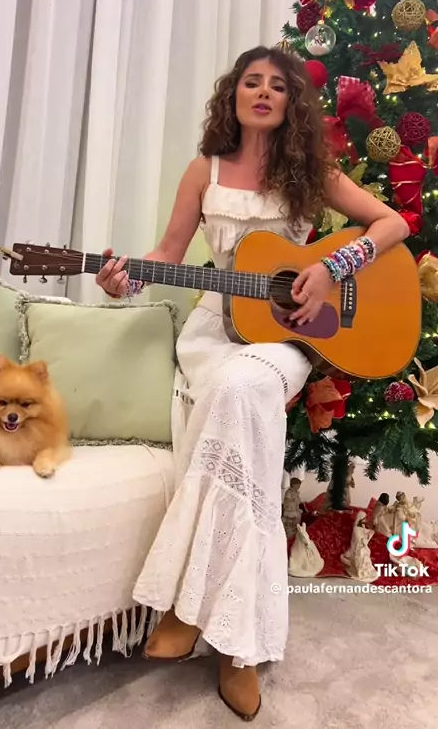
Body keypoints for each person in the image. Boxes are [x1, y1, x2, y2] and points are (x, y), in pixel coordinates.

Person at [96, 46, 408, 720]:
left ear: (293, 102)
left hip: (285, 337)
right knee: (244, 422)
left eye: (277, 85)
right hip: (216, 329)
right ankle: (239, 646)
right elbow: (168, 254)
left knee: (242, 391)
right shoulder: (203, 171)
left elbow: (394, 223)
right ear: (232, 96)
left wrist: (330, 268)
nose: (262, 92)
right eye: (250, 82)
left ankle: (187, 612)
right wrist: (126, 279)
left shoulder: (311, 173)